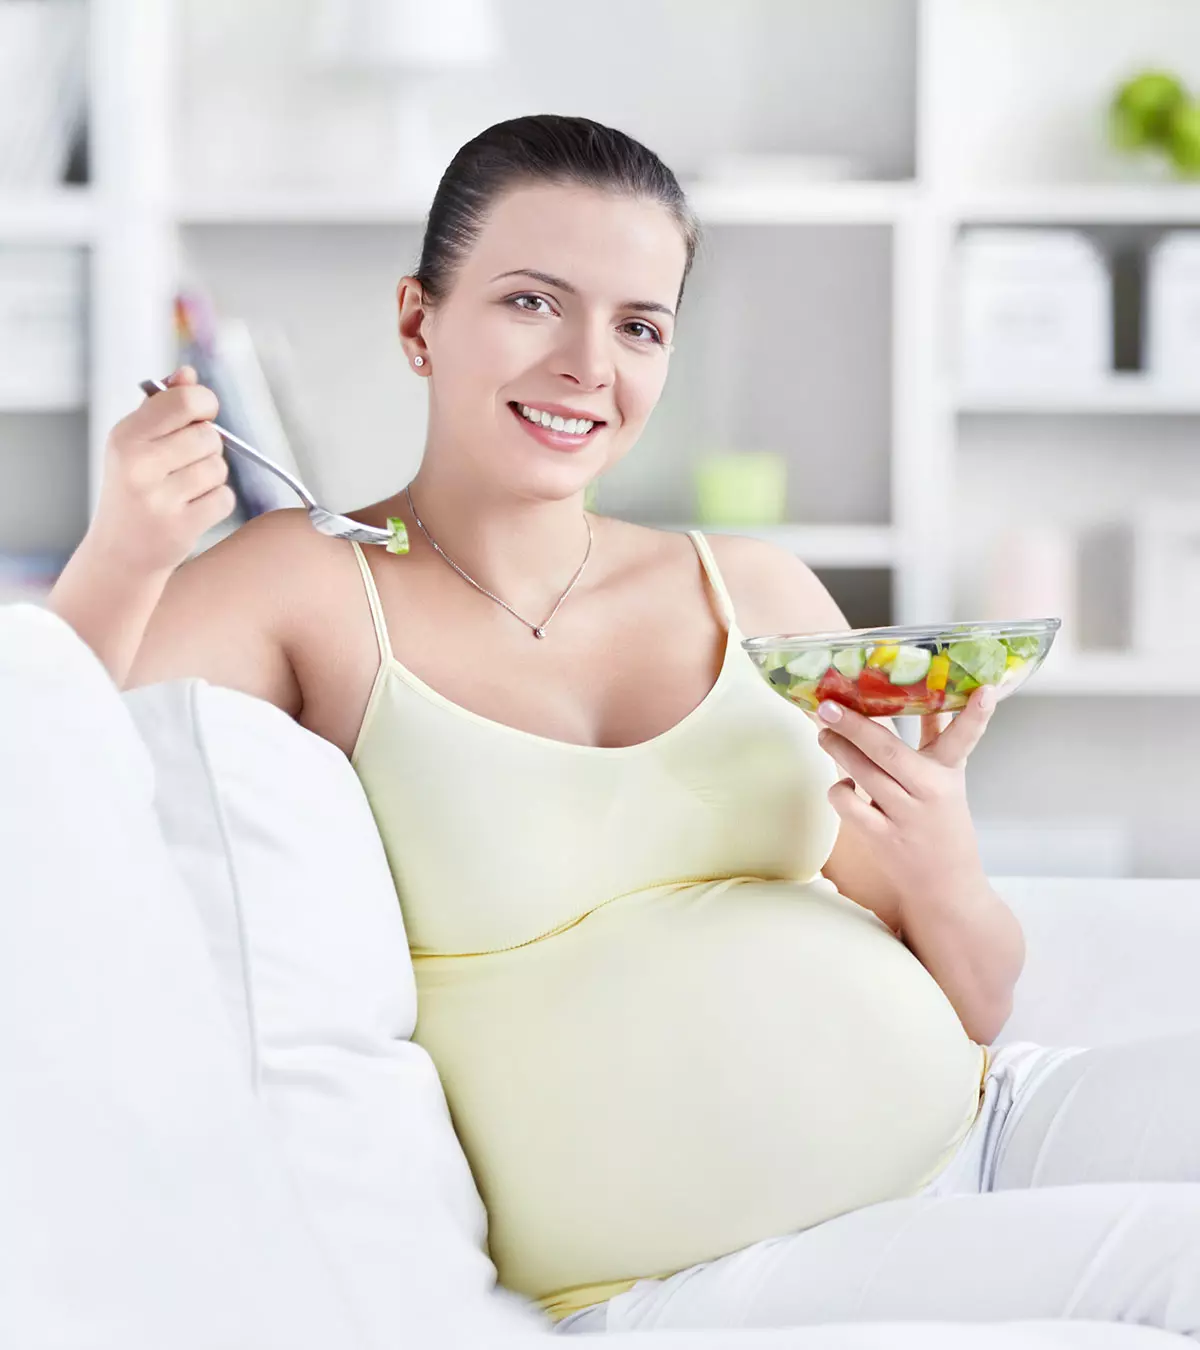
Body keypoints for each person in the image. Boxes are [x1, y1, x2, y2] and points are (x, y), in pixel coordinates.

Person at [49, 114, 1200, 1340]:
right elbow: (48, 793)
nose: (589, 365)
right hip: (695, 1271)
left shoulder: (751, 588)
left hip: (994, 1119)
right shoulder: (306, 588)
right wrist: (123, 556)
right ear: (416, 323)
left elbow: (980, 997)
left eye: (639, 325)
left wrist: (939, 860)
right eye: (535, 302)